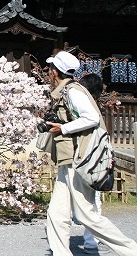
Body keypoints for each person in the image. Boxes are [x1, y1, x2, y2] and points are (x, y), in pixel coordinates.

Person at [44, 51, 137, 255]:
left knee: (86, 215)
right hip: (68, 160)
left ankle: (131, 250)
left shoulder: (73, 91)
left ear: (55, 71)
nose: (48, 72)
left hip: (79, 159)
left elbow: (92, 118)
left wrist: (63, 128)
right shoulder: (64, 91)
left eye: (50, 69)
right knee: (57, 214)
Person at [76, 74, 108, 254]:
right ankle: (91, 240)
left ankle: (90, 241)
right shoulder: (94, 109)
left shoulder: (80, 106)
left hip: (80, 158)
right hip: (93, 160)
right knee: (93, 201)